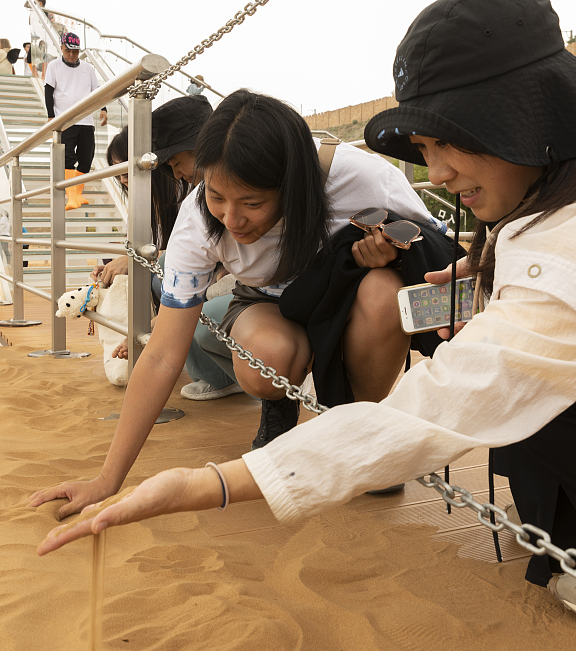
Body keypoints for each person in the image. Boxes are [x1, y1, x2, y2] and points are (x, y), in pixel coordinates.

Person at [36, 0, 576, 638]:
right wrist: (492, 282)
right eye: (424, 149)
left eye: (449, 143)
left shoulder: (571, 240)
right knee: (500, 366)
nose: (439, 172)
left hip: (370, 307)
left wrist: (207, 484)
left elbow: (446, 396)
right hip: (293, 313)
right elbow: (164, 349)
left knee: (489, 376)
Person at [29, 88, 450, 519]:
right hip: (266, 302)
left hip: (348, 302)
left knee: (383, 292)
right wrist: (106, 480)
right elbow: (162, 354)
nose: (231, 220)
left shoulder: (358, 177)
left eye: (253, 202)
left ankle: (357, 427)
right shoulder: (197, 221)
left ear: (294, 183)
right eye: (216, 197)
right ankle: (281, 406)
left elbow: (441, 261)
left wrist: (394, 255)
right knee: (267, 357)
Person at [100, 98, 242, 400]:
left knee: (183, 295)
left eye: (128, 166)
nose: (124, 176)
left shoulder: (197, 194)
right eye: (117, 171)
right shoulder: (169, 199)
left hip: (237, 284)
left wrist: (160, 323)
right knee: (167, 279)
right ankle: (206, 368)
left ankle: (217, 373)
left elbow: (217, 266)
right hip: (215, 280)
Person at [44, 32, 108, 211]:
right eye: (68, 51)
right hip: (64, 119)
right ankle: (72, 197)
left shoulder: (87, 68)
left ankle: (77, 195)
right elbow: (49, 91)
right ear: (61, 48)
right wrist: (51, 117)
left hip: (86, 120)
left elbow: (97, 91)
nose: (71, 55)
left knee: (87, 158)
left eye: (75, 52)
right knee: (68, 158)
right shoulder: (54, 66)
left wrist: (103, 109)